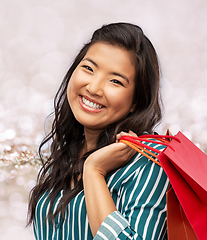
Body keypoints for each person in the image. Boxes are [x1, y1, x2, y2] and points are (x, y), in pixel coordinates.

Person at [27, 23, 168, 240]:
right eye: (89, 69)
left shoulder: (149, 163)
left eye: (115, 81)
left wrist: (94, 171)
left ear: (136, 101)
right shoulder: (68, 155)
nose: (93, 88)